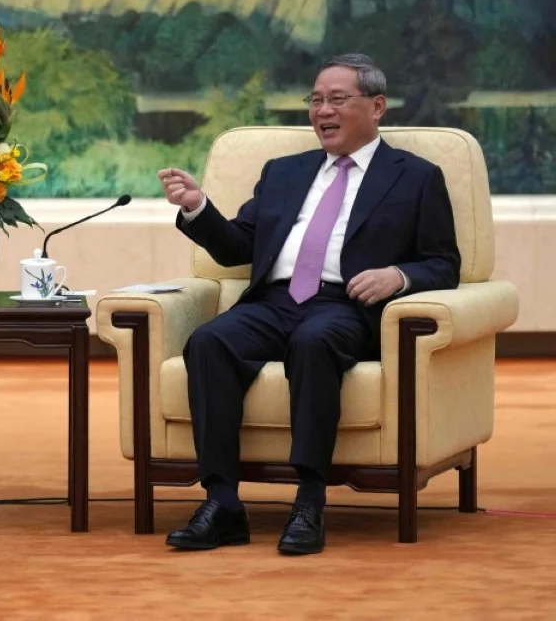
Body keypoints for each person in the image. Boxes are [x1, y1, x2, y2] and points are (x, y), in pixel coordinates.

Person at [156, 54, 460, 556]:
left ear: (377, 106)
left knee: (313, 341)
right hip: (273, 301)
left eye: (337, 99)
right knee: (209, 341)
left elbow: (444, 263)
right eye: (315, 100)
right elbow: (237, 248)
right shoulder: (284, 172)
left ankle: (309, 501)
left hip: (345, 305)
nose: (323, 110)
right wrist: (197, 208)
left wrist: (398, 276)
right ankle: (222, 503)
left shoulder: (416, 176)